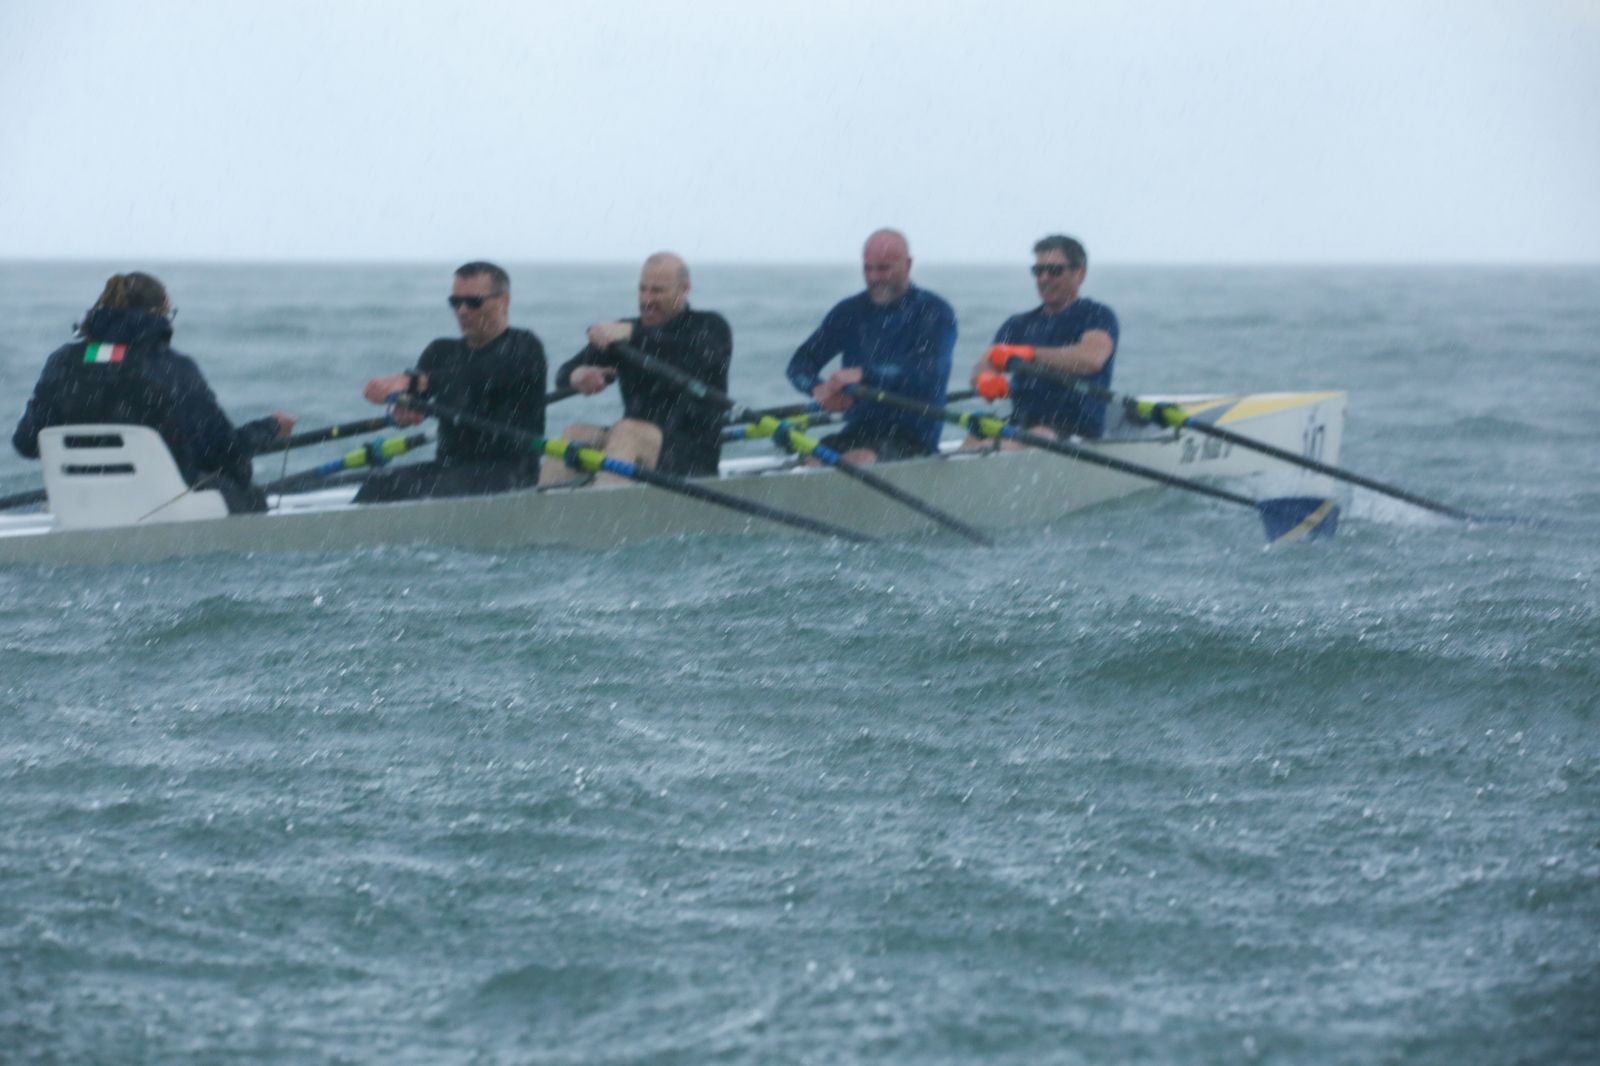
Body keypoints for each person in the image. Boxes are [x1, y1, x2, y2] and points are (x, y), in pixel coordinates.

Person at [12, 271, 294, 513]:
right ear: (157, 314)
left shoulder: (63, 362)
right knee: (248, 494)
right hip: (160, 507)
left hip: (83, 506)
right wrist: (270, 428)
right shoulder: (170, 366)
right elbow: (223, 449)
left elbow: (26, 442)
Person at [359, 261, 547, 502]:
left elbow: (476, 377)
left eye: (473, 302)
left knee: (410, 487)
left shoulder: (525, 347)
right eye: (455, 302)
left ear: (504, 301)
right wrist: (400, 407)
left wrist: (413, 382)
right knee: (378, 482)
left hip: (511, 473)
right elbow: (416, 397)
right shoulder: (440, 351)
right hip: (450, 468)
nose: (462, 311)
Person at [542, 252, 731, 486]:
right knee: (575, 434)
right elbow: (564, 373)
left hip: (692, 458)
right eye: (643, 289)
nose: (646, 300)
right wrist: (577, 376)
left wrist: (632, 333)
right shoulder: (626, 334)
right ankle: (542, 505)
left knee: (628, 432)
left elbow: (684, 350)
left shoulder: (711, 327)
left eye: (657, 291)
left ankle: (606, 505)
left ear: (684, 289)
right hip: (636, 447)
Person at [784, 228, 956, 464]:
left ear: (907, 265)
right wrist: (817, 388)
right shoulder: (849, 312)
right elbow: (799, 364)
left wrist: (864, 374)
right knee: (809, 460)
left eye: (883, 268)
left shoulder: (935, 312)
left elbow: (927, 373)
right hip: (858, 431)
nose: (874, 277)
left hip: (913, 437)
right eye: (868, 268)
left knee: (857, 460)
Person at [968, 235, 1118, 446]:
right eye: (1038, 271)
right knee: (974, 437)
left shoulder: (1097, 315)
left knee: (1037, 435)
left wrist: (1030, 354)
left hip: (1075, 430)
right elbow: (985, 363)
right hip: (1022, 424)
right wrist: (985, 378)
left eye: (1054, 270)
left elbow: (1091, 360)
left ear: (1080, 273)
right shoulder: (1017, 324)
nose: (1044, 278)